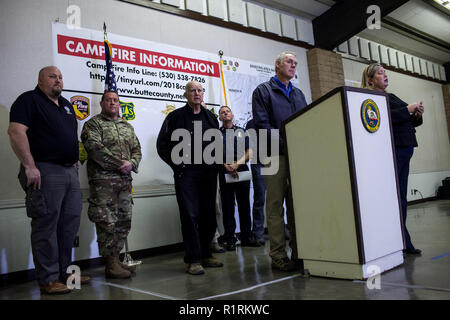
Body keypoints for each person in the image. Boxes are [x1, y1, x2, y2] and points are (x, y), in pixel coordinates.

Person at [8, 66, 89, 294]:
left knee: (69, 225)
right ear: (40, 80)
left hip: (68, 172)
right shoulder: (28, 100)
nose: (58, 80)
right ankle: (48, 278)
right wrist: (29, 165)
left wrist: (72, 160)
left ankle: (67, 275)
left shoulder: (65, 105)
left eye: (61, 77)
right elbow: (15, 132)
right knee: (46, 225)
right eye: (52, 77)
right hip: (44, 170)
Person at [157, 81, 223, 275]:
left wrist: (220, 165)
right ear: (185, 95)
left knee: (209, 216)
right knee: (190, 215)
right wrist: (178, 165)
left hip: (209, 174)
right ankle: (193, 259)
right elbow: (162, 146)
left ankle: (205, 254)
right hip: (187, 175)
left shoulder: (211, 118)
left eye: (200, 90)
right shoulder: (175, 117)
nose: (197, 93)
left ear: (203, 95)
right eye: (192, 90)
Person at [252, 51, 308, 271]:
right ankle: (278, 256)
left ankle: (299, 252)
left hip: (298, 156)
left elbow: (306, 122)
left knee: (298, 206)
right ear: (277, 65)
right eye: (289, 61)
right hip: (275, 155)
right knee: (275, 206)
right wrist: (287, 145)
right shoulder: (263, 91)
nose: (293, 65)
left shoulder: (299, 94)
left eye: (295, 63)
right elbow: (262, 125)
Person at [361, 63, 424, 255]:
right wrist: (407, 110)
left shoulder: (391, 96)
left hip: (405, 148)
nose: (385, 75)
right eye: (380, 73)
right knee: (396, 198)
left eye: (385, 73)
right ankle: (400, 240)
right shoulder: (371, 98)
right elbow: (383, 117)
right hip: (394, 150)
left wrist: (416, 113)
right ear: (370, 80)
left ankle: (403, 240)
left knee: (401, 197)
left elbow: (408, 119)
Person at [81, 90, 142, 278]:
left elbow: (137, 150)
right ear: (102, 103)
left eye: (115, 100)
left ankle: (116, 261)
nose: (113, 103)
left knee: (124, 221)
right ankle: (110, 264)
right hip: (103, 184)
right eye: (109, 100)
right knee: (107, 222)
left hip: (124, 183)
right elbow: (95, 149)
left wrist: (131, 164)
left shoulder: (127, 126)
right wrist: (121, 165)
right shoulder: (93, 124)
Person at [218, 106, 260, 250]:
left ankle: (247, 237)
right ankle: (230, 238)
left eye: (227, 111)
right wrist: (227, 166)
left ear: (232, 115)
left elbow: (249, 152)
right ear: (219, 118)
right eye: (222, 112)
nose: (225, 113)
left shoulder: (242, 131)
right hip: (224, 172)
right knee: (228, 207)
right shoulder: (216, 134)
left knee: (244, 205)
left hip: (241, 170)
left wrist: (236, 165)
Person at [245, 119, 266, 245]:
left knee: (278, 196)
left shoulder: (273, 118)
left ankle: (282, 229)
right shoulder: (251, 124)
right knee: (260, 198)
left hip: (274, 158)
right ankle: (258, 232)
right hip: (258, 162)